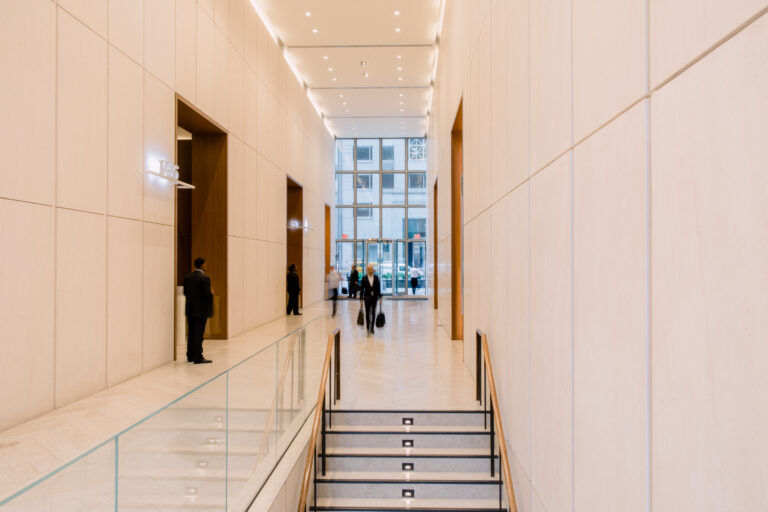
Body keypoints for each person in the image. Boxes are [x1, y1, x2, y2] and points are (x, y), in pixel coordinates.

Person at [183, 257, 213, 364]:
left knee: (191, 333)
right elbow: (207, 295)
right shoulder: (205, 278)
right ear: (203, 265)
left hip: (190, 309)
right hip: (201, 311)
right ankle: (198, 357)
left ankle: (190, 355)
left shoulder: (187, 277)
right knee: (198, 334)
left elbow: (185, 292)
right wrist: (211, 294)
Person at [359, 264, 381, 334]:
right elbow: (362, 289)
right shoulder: (364, 278)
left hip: (374, 298)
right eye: (369, 269)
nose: (370, 270)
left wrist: (380, 297)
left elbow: (378, 288)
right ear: (367, 270)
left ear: (373, 270)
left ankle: (372, 328)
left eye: (371, 269)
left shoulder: (376, 277)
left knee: (373, 313)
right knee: (367, 313)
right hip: (367, 298)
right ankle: (368, 327)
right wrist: (361, 300)